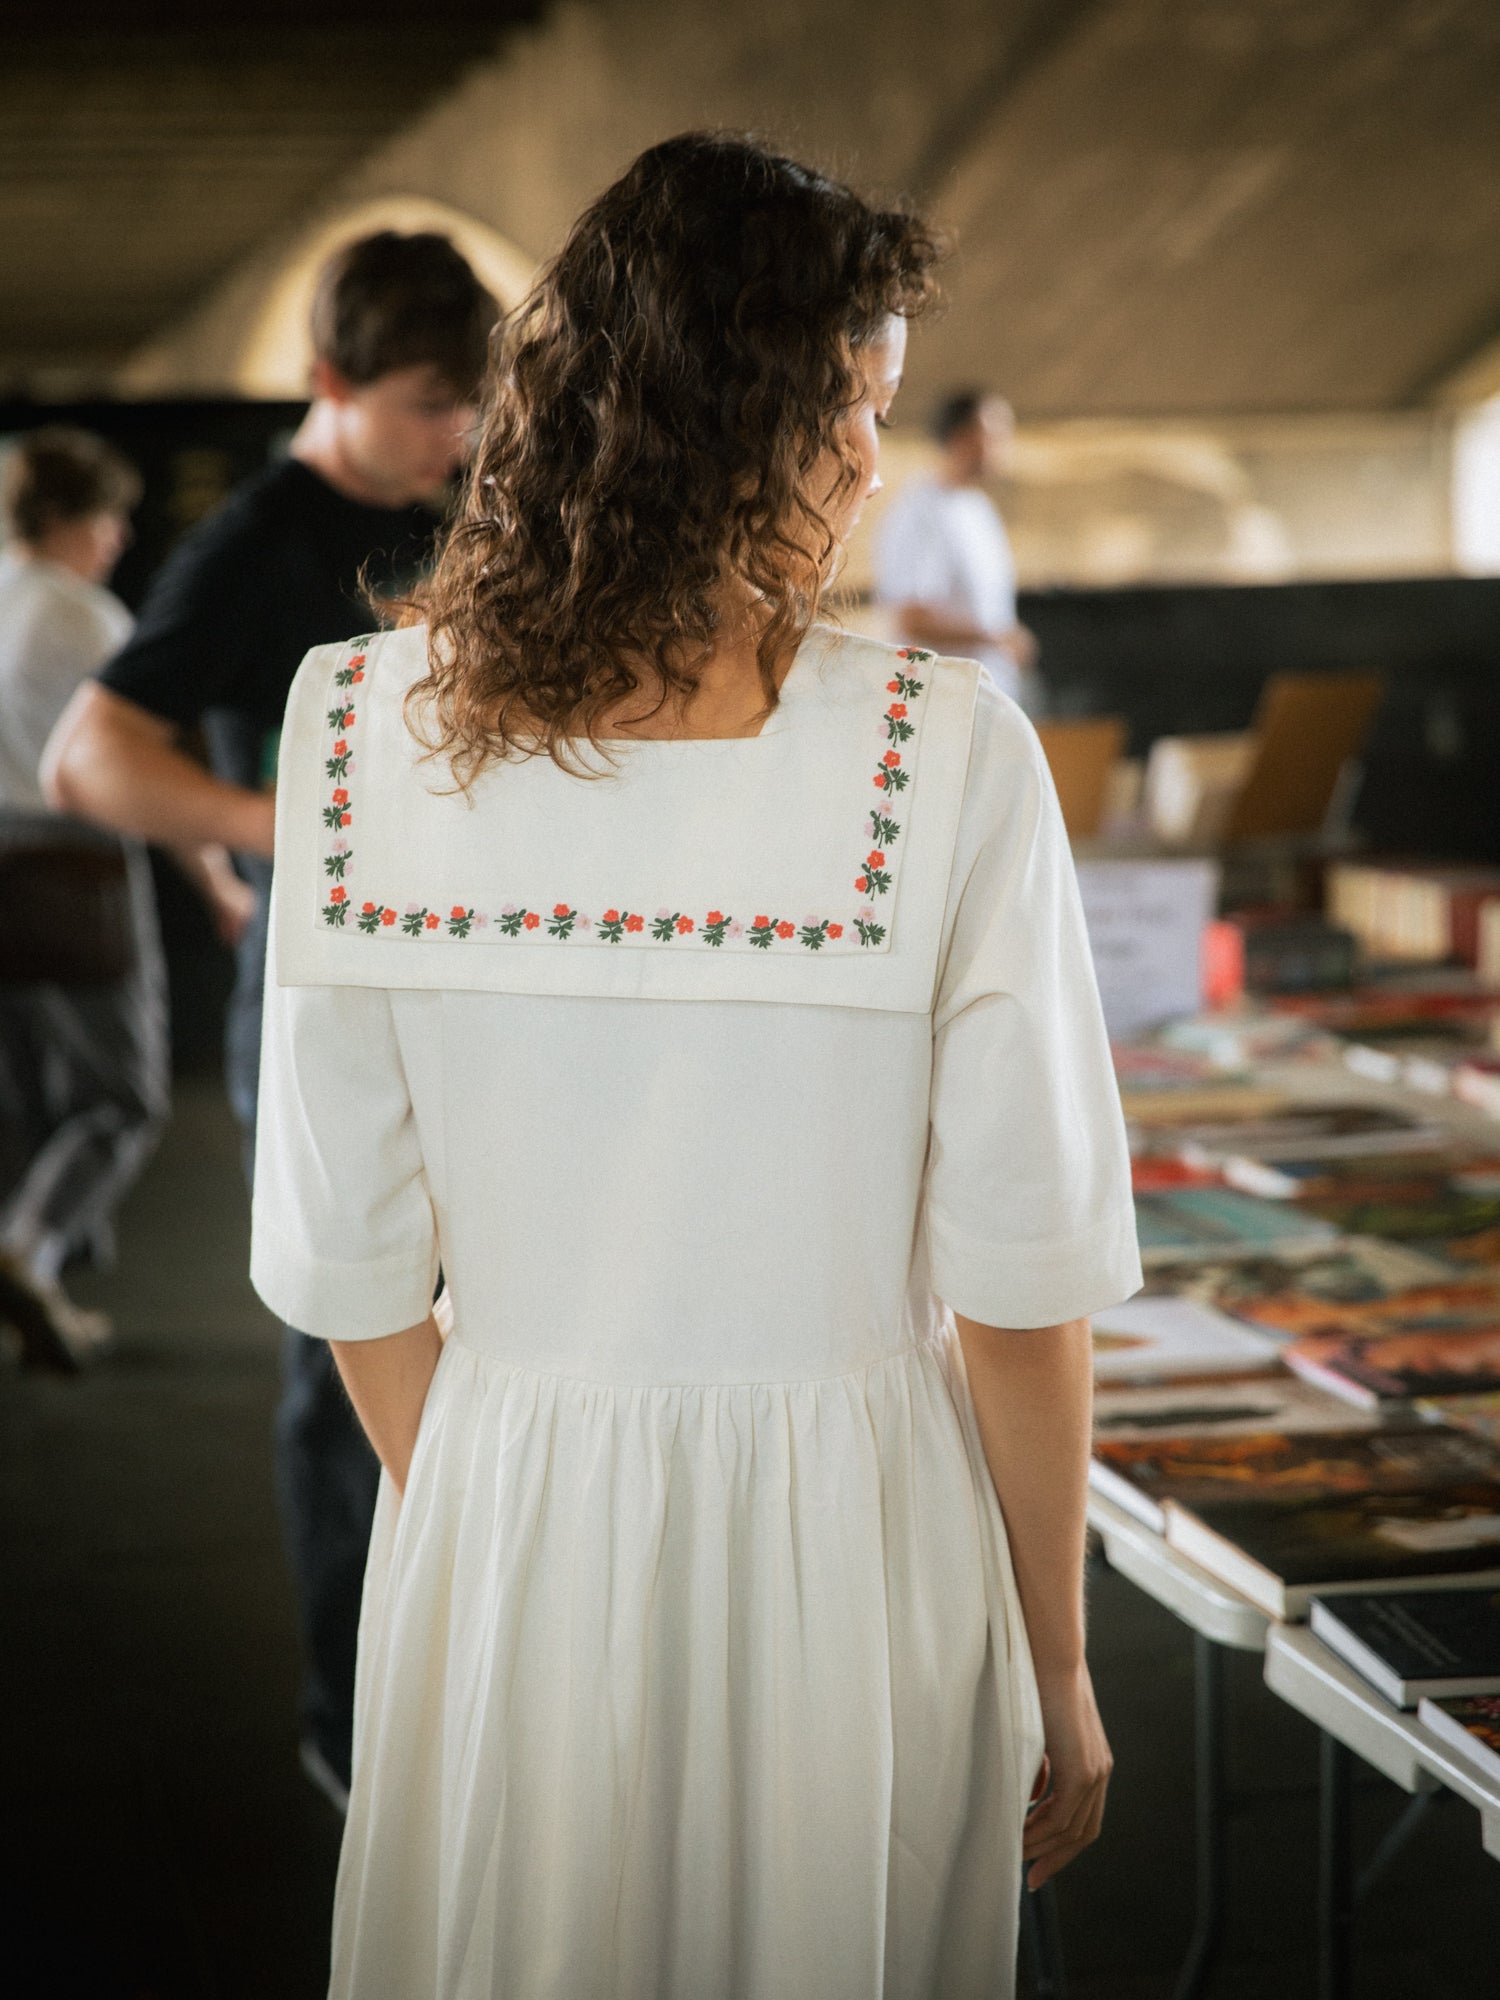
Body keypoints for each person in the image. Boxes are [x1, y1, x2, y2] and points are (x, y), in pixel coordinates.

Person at [249, 134, 1141, 1999]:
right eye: (859, 408)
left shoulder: (352, 732)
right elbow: (1024, 1283)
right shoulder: (949, 759)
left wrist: (515, 1501)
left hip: (493, 1521)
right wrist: (1053, 1661)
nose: (877, 463)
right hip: (864, 1540)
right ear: (758, 425)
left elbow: (345, 1263)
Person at [43, 232, 496, 1808]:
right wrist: (280, 827)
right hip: (313, 1013)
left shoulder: (451, 512)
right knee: (343, 1359)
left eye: (470, 408)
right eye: (430, 405)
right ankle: (349, 1718)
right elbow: (89, 764)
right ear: (331, 382)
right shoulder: (251, 541)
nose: (456, 436)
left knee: (480, 1347)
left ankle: (470, 1681)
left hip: (467, 1005)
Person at [0, 428, 171, 1365]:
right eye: (110, 515)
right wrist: (220, 879)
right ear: (70, 517)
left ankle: (40, 1284)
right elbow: (138, 765)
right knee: (123, 1098)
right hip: (77, 866)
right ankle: (25, 1253)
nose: (120, 536)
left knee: (27, 1097)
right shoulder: (84, 619)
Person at [874, 386, 1040, 708]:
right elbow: (910, 617)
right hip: (942, 703)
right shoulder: (918, 512)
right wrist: (993, 637)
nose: (1004, 446)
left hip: (990, 698)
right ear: (961, 437)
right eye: (993, 434)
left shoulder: (979, 509)